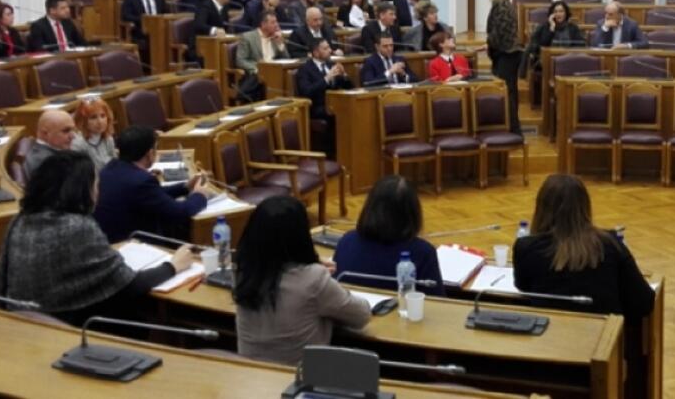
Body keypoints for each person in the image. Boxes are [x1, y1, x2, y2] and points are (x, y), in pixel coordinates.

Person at [0, 151, 194, 326]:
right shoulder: (78, 227)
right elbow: (130, 285)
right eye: (96, 185)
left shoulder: (21, 219)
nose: (99, 192)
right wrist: (174, 265)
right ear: (82, 190)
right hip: (67, 326)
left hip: (20, 321)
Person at [513, 174, 655, 391]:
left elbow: (522, 287)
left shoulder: (526, 248)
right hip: (602, 355)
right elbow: (644, 301)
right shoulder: (610, 245)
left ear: (541, 208)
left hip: (547, 355)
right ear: (585, 207)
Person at [233, 195, 371, 365]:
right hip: (297, 383)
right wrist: (321, 277)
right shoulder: (314, 279)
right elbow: (361, 315)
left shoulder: (243, 271)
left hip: (248, 375)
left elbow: (277, 267)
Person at [94, 125, 215, 243]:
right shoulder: (141, 181)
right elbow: (180, 212)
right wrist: (200, 195)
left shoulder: (110, 168)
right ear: (150, 153)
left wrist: (185, 187)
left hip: (109, 240)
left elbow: (152, 194)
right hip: (134, 244)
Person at [333, 175, 445, 296]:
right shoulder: (423, 252)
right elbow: (438, 302)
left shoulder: (347, 241)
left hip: (349, 313)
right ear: (413, 213)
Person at [523, 1, 585, 107]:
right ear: (551, 14)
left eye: (561, 11)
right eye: (555, 11)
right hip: (548, 62)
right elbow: (542, 46)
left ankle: (570, 103)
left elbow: (581, 45)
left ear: (566, 13)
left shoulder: (573, 28)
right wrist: (551, 28)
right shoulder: (544, 27)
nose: (558, 14)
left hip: (568, 61)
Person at [485, 0, 523, 134]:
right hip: (510, 52)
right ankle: (512, 126)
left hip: (506, 54)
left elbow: (498, 33)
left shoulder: (501, 6)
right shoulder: (506, 4)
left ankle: (514, 128)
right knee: (510, 90)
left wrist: (489, 43)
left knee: (507, 91)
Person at [236, 10, 290, 102]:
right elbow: (240, 60)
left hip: (276, 71)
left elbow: (287, 59)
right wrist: (257, 68)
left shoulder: (276, 37)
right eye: (273, 22)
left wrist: (280, 44)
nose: (277, 25)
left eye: (276, 21)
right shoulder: (248, 37)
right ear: (263, 24)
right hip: (258, 73)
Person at [296, 37, 352, 122]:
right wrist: (326, 79)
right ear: (315, 53)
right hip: (317, 107)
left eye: (329, 47)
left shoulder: (331, 64)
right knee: (340, 111)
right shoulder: (305, 69)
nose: (330, 50)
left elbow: (350, 88)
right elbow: (306, 92)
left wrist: (344, 75)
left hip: (334, 103)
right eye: (325, 48)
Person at [24, 109, 77, 176]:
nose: (73, 136)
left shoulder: (54, 153)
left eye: (73, 130)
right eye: (66, 131)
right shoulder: (45, 162)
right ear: (45, 133)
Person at [70, 98, 117, 172]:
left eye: (103, 116)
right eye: (93, 117)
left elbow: (115, 162)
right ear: (83, 121)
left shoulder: (108, 138)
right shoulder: (78, 144)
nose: (100, 121)